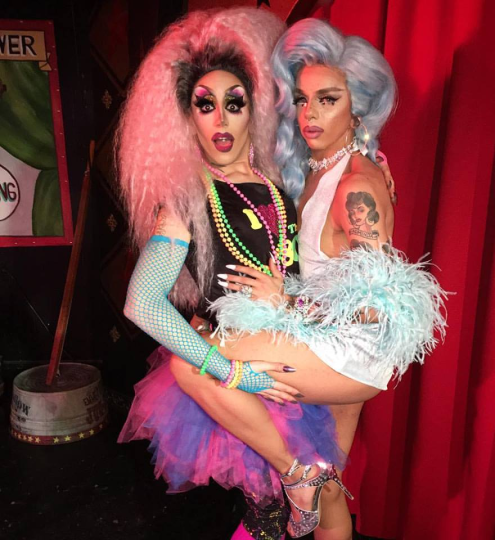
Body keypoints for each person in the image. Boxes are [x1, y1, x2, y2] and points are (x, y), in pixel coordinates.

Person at [167, 18, 446, 540]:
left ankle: (296, 476)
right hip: (322, 337)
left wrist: (286, 304)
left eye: (328, 100)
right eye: (301, 99)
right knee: (331, 484)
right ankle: (309, 484)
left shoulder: (357, 185)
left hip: (351, 350)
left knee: (191, 363)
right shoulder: (318, 169)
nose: (309, 114)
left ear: (358, 108)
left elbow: (375, 308)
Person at [116, 8, 350, 540]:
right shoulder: (185, 200)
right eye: (205, 104)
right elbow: (142, 303)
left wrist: (288, 298)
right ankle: (294, 482)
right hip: (243, 377)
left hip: (301, 357)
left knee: (325, 495)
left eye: (234, 103)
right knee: (269, 510)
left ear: (254, 110)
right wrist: (232, 372)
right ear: (187, 116)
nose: (220, 119)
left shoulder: (280, 181)